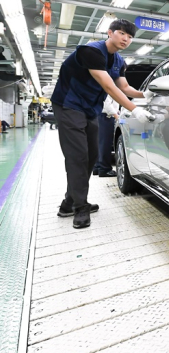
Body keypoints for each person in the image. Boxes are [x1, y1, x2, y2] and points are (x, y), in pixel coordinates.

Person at [51, 19, 154, 229]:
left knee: (92, 156)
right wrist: (134, 109)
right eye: (122, 33)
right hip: (68, 105)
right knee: (77, 156)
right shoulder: (91, 51)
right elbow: (108, 86)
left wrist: (147, 94)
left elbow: (124, 87)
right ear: (110, 33)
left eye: (130, 36)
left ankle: (69, 203)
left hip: (90, 109)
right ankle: (80, 208)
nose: (126, 38)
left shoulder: (119, 61)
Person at [93, 95, 118, 177]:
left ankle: (97, 167)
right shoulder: (109, 84)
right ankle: (105, 169)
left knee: (99, 142)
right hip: (106, 116)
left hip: (100, 115)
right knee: (105, 143)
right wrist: (116, 116)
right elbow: (107, 103)